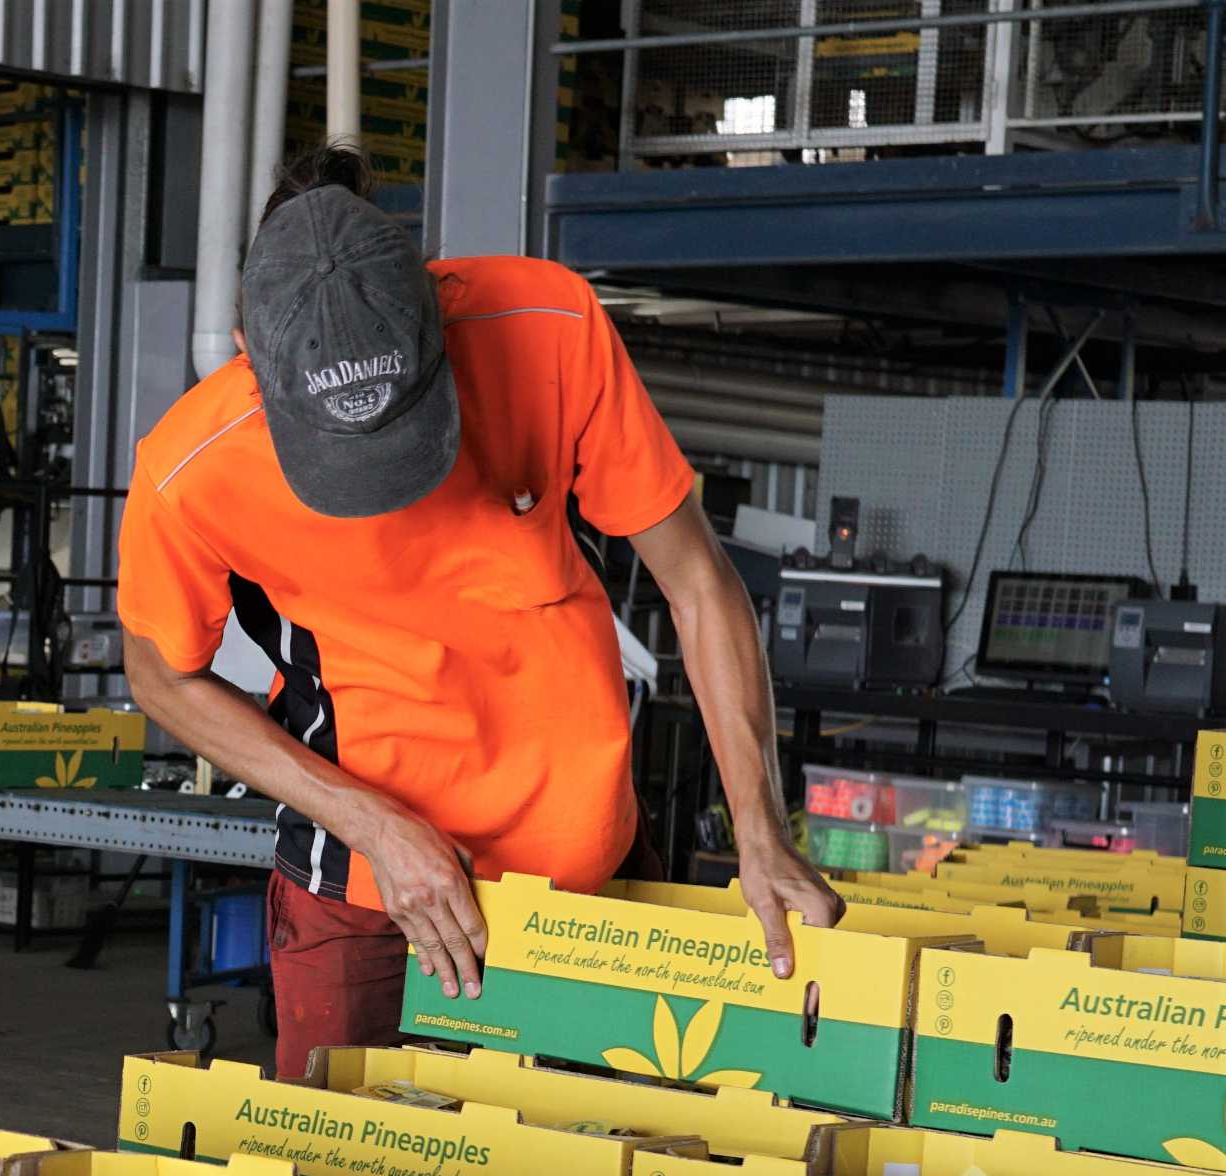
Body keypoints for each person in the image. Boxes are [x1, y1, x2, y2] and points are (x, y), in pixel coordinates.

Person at [115, 146, 840, 1077]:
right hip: (366, 889)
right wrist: (373, 823)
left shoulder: (548, 326)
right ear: (249, 353)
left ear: (434, 302)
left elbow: (698, 581)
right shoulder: (191, 472)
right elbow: (157, 673)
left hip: (588, 868)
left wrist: (761, 832)